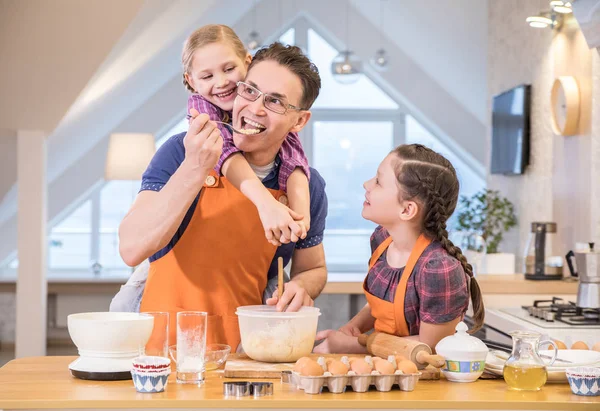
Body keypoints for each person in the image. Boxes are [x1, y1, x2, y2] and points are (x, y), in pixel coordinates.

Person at [118, 42, 328, 350]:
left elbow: (312, 269)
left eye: (275, 102)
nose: (254, 108)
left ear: (299, 121)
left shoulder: (306, 186)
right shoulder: (182, 151)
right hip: (159, 351)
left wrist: (300, 286)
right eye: (250, 91)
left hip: (245, 354)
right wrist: (194, 167)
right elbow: (131, 248)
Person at [314, 144, 484, 354]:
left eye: (378, 181)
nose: (366, 184)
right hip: (385, 371)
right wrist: (355, 326)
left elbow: (430, 348)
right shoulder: (382, 239)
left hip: (422, 382)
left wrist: (350, 346)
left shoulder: (438, 269)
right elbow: (388, 306)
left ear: (407, 209)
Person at [184, 24, 311, 245]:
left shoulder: (271, 111)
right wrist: (267, 204)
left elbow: (293, 151)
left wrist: (301, 217)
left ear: (247, 62)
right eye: (207, 76)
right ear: (191, 81)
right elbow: (223, 150)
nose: (221, 82)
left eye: (229, 69)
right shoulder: (201, 108)